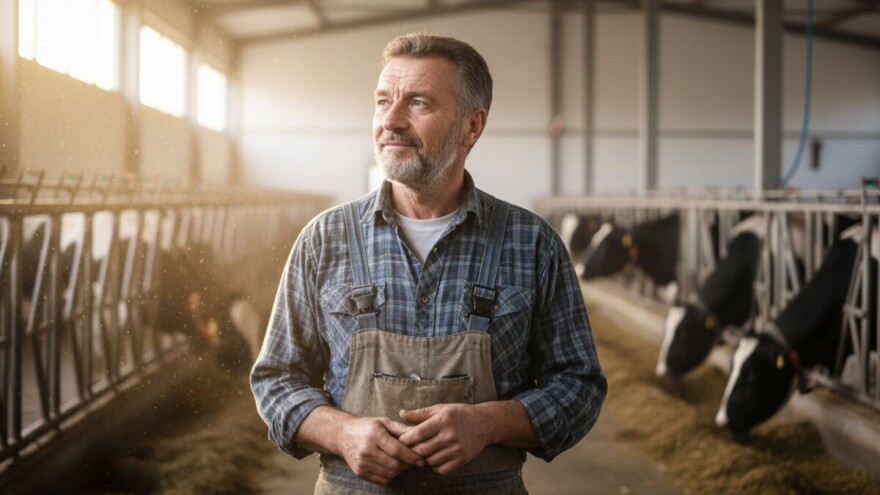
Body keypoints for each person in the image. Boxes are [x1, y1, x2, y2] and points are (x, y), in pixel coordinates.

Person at [251, 33, 607, 494]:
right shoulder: (325, 239)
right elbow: (276, 379)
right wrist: (342, 432)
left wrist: (490, 423)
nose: (391, 121)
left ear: (471, 127)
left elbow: (579, 385)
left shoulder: (531, 242)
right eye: (383, 102)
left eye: (417, 103)